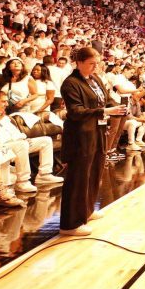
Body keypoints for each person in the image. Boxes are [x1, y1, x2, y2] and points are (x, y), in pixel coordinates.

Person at [59, 47, 126, 236]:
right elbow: (76, 112)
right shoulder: (70, 84)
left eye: (97, 63)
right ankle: (70, 224)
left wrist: (116, 107)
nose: (95, 67)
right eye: (91, 64)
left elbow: (104, 101)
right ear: (78, 63)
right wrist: (104, 112)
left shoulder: (95, 79)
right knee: (78, 178)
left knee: (94, 173)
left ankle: (86, 211)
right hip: (80, 136)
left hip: (97, 132)